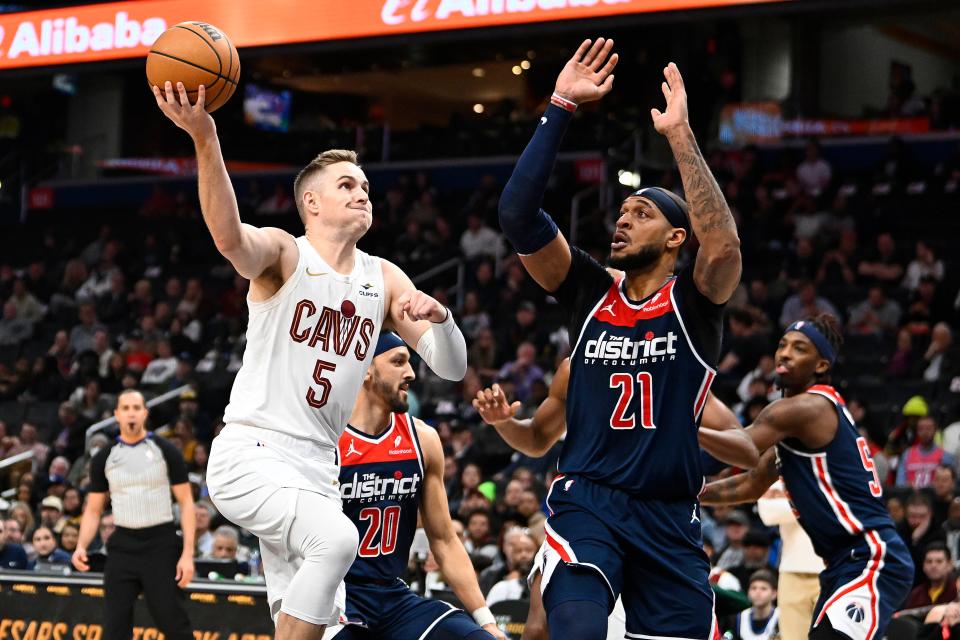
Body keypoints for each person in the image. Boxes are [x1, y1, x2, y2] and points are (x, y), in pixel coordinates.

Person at [153, 74, 468, 639]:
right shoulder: (285, 253)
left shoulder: (384, 277)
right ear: (312, 202)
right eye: (347, 184)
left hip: (321, 471)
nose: (361, 193)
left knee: (318, 627)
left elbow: (452, 367)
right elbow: (229, 239)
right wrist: (205, 138)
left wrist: (441, 319)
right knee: (340, 540)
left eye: (366, 186)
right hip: (254, 453)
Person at [496, 37, 742, 639]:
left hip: (668, 514)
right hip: (590, 502)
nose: (622, 220)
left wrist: (680, 136)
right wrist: (559, 105)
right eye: (622, 211)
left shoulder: (695, 303)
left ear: (677, 238)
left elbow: (726, 246)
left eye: (641, 213)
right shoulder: (589, 291)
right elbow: (518, 218)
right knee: (573, 627)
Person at [473, 357, 757, 640]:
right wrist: (504, 423)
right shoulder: (575, 366)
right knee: (567, 624)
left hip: (664, 515)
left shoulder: (680, 364)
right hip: (591, 504)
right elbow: (536, 439)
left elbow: (747, 451)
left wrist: (690, 426)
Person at [700, 314, 915, 640]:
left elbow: (741, 449)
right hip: (842, 562)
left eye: (799, 348)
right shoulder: (796, 422)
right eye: (783, 345)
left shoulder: (803, 409)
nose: (785, 353)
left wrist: (686, 431)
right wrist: (693, 491)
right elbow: (750, 484)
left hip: (870, 557)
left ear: (821, 366)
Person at [325, 332, 503, 640]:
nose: (410, 373)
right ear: (365, 369)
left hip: (392, 597)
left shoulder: (423, 439)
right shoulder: (327, 442)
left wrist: (486, 620)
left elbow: (445, 539)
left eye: (410, 362)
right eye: (398, 362)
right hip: (335, 598)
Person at [72, 389, 196, 640]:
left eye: (136, 408)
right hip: (123, 545)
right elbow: (94, 509)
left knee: (171, 621)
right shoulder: (105, 457)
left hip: (161, 544)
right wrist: (81, 545)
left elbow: (186, 503)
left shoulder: (165, 450)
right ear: (117, 414)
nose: (131, 413)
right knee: (114, 626)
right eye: (125, 408)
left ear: (145, 413)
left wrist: (188, 554)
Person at [757, 480, 825, 640]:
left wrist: (791, 500)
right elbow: (768, 513)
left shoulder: (836, 470)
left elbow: (838, 510)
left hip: (830, 572)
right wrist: (815, 501)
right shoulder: (785, 475)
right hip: (791, 572)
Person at [726, 570, 780, 640]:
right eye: (754, 588)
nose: (758, 592)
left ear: (774, 594)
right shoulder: (739, 619)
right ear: (748, 592)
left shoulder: (781, 618)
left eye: (763, 589)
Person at [904, 542, 957, 608]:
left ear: (949, 565)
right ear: (923, 566)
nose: (933, 566)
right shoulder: (916, 595)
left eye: (939, 561)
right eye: (929, 561)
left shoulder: (957, 591)